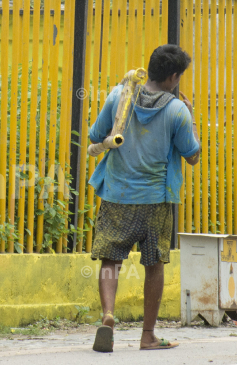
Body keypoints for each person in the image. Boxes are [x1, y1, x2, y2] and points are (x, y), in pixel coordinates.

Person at [88, 44, 200, 352]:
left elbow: (96, 136)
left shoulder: (118, 96)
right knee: (154, 264)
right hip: (156, 200)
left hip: (116, 195)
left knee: (111, 259)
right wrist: (191, 119)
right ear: (173, 76)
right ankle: (147, 335)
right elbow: (192, 156)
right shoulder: (177, 110)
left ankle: (108, 314)